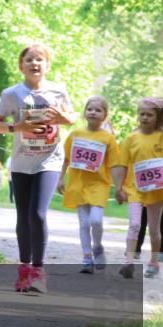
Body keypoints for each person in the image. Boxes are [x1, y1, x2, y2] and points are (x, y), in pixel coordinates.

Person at [0, 44, 76, 294]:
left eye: (40, 60)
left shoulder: (58, 91)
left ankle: (38, 272)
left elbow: (71, 118)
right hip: (21, 162)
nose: (35, 64)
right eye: (29, 60)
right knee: (23, 217)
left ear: (47, 65)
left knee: (37, 214)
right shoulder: (11, 94)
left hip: (49, 160)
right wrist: (18, 127)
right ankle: (24, 269)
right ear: (21, 66)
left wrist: (63, 118)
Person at [55, 96, 120, 273]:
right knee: (84, 224)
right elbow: (66, 158)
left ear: (104, 115)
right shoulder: (75, 134)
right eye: (90, 109)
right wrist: (60, 178)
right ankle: (86, 257)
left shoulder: (108, 139)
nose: (93, 112)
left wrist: (120, 187)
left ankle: (97, 247)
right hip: (78, 184)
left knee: (96, 220)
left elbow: (114, 164)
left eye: (98, 110)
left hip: (99, 185)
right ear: (84, 112)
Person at [115, 98, 163, 279]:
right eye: (141, 114)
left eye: (149, 115)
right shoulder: (131, 138)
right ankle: (129, 263)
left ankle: (153, 262)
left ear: (157, 117)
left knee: (154, 229)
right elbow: (122, 164)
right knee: (134, 224)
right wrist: (119, 188)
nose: (144, 118)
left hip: (157, 191)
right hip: (135, 189)